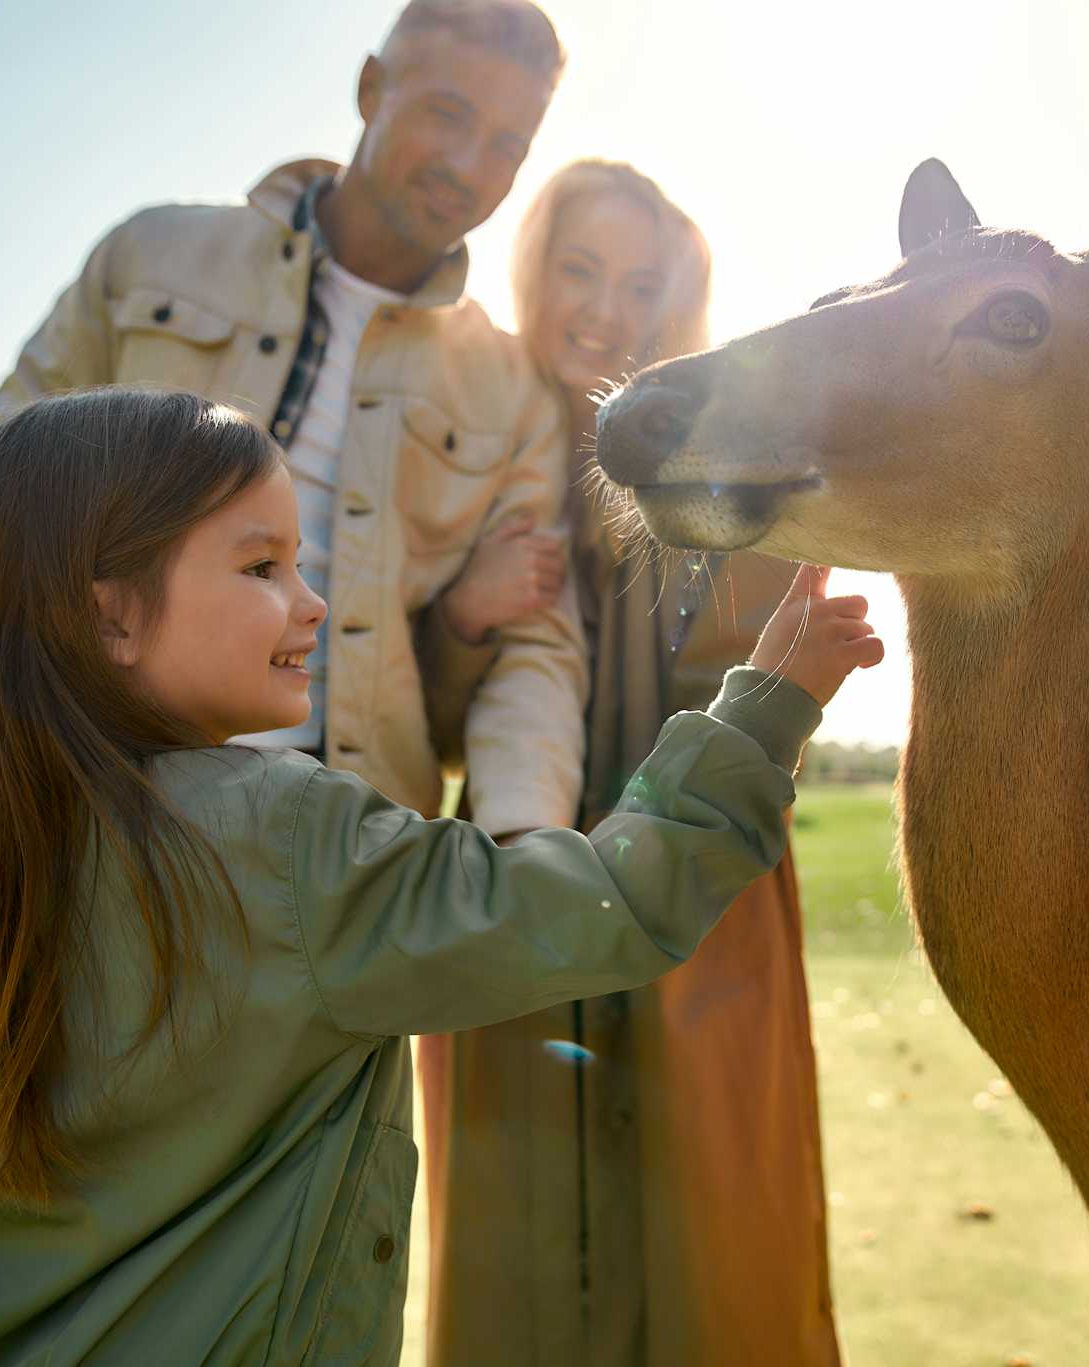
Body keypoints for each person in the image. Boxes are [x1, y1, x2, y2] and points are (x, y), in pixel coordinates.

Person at [0, 387, 883, 1366]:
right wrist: (762, 709)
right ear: (110, 617)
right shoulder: (281, 839)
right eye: (260, 565)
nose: (311, 599)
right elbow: (594, 904)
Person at [0, 0, 585, 841]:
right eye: (447, 113)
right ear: (371, 87)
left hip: (351, 849)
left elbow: (529, 654)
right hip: (94, 808)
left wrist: (525, 846)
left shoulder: (516, 393)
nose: (470, 165)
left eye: (509, 144)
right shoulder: (150, 255)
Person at [409, 159, 845, 1366]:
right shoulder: (462, 446)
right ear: (533, 271)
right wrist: (461, 617)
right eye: (578, 270)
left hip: (702, 888)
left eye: (639, 283)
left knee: (718, 1238)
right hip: (510, 862)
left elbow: (767, 682)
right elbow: (411, 713)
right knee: (515, 1246)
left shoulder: (722, 469)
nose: (603, 308)